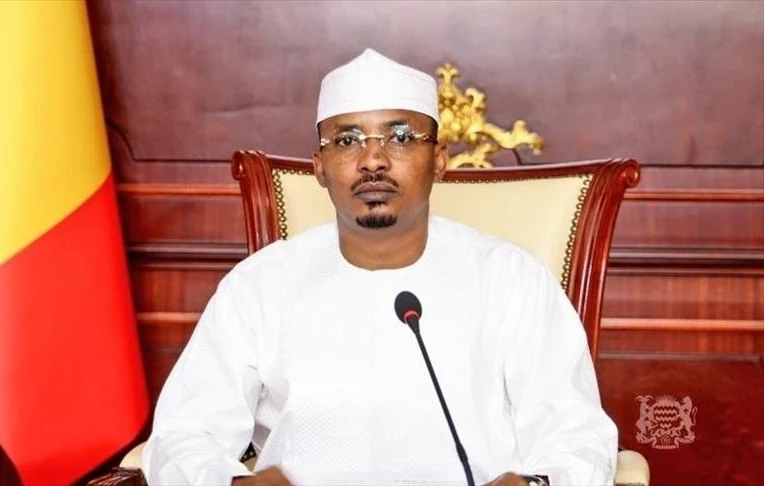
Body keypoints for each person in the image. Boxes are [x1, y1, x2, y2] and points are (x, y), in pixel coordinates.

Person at [142, 48, 618, 486]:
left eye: (401, 137)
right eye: (347, 140)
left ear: (440, 160)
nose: (373, 159)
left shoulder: (510, 280)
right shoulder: (260, 285)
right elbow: (184, 435)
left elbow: (577, 438)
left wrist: (537, 484)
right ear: (319, 167)